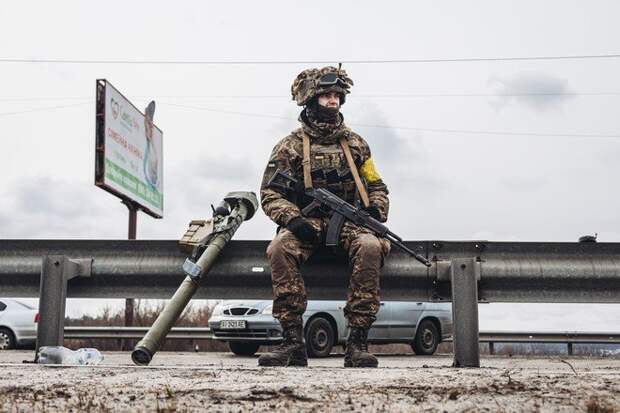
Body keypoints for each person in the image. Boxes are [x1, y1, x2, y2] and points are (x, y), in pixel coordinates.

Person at [258, 66, 390, 368]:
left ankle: (357, 343)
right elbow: (270, 192)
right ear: (310, 99)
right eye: (326, 95)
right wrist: (293, 219)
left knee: (370, 246)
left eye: (337, 95)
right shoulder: (289, 146)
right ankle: (292, 342)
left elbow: (376, 186)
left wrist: (375, 209)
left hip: (351, 223)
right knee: (279, 248)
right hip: (308, 222)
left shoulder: (356, 144)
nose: (333, 100)